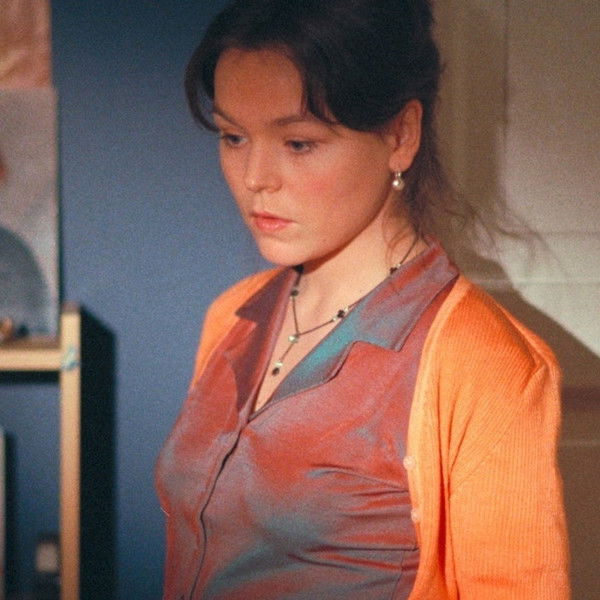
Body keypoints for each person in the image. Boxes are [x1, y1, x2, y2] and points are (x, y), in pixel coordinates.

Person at [155, 1, 569, 598]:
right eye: (233, 136)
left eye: (298, 143)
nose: (254, 177)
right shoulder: (234, 316)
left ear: (400, 136)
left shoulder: (485, 364)